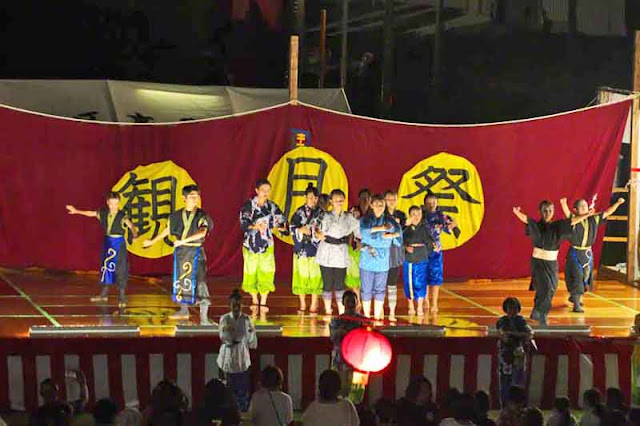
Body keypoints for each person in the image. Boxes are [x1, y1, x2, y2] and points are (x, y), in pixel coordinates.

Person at [512, 200, 593, 325]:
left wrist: (586, 215)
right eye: (544, 210)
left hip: (551, 263)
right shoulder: (536, 225)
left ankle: (536, 311)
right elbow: (526, 219)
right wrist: (516, 212)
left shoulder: (558, 226)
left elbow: (573, 221)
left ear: (553, 212)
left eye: (550, 210)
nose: (547, 213)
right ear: (540, 211)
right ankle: (543, 314)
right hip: (538, 262)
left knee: (551, 287)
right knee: (545, 287)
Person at [143, 185, 214, 323]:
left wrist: (183, 241)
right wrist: (152, 241)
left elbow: (202, 232)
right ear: (184, 198)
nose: (195, 199)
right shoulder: (175, 216)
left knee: (201, 282)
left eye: (196, 196)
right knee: (180, 281)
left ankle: (204, 317)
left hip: (196, 251)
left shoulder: (202, 215)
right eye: (192, 196)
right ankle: (183, 310)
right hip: (182, 253)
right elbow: (167, 230)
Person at [66, 191, 138, 307]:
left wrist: (135, 235)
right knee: (106, 267)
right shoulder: (103, 212)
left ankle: (122, 296)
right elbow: (91, 213)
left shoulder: (122, 215)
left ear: (119, 203)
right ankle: (104, 294)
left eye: (116, 204)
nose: (114, 206)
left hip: (118, 244)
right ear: (108, 203)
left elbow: (131, 226)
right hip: (108, 242)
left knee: (121, 269)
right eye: (111, 204)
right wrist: (76, 211)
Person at [560, 197, 625, 312]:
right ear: (575, 210)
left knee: (585, 278)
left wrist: (618, 203)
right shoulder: (574, 220)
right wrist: (564, 204)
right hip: (575, 253)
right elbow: (567, 213)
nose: (585, 208)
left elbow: (607, 212)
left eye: (586, 205)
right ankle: (576, 304)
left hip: (587, 253)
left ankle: (576, 297)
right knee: (577, 277)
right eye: (582, 206)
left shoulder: (594, 219)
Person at [239, 178, 287, 313]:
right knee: (251, 271)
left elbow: (281, 221)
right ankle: (254, 299)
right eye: (263, 190)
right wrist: (255, 226)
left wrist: (282, 227)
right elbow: (244, 224)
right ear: (256, 191)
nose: (265, 193)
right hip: (251, 244)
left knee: (267, 271)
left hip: (267, 243)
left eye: (268, 190)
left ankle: (264, 301)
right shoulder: (249, 206)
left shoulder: (271, 206)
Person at [316, 189, 360, 315]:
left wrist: (359, 240)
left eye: (341, 200)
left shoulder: (349, 217)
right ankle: (328, 309)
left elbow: (358, 231)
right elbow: (316, 229)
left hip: (341, 250)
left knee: (340, 283)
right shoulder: (325, 216)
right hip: (327, 250)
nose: (339, 203)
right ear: (331, 201)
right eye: (336, 200)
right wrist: (317, 234)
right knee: (328, 283)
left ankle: (341, 310)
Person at [359, 194, 402, 319]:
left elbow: (398, 236)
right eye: (376, 205)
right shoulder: (365, 220)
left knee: (380, 290)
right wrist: (382, 229)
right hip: (367, 259)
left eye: (381, 205)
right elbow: (364, 233)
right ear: (371, 205)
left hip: (383, 260)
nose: (378, 207)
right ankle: (366, 316)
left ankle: (377, 317)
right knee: (366, 289)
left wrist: (390, 236)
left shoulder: (390, 221)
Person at [218, 289, 258, 412]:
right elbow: (224, 336)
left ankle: (242, 411)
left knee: (243, 389)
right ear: (229, 305)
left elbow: (251, 339)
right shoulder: (225, 319)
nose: (236, 307)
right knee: (229, 389)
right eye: (234, 304)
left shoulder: (246, 319)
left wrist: (250, 334)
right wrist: (232, 339)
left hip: (242, 356)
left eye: (238, 304)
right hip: (229, 356)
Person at [422, 193, 460, 315]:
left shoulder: (441, 216)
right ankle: (425, 300)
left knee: (435, 278)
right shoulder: (421, 215)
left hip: (435, 251)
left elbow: (452, 225)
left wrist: (454, 224)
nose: (431, 205)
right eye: (428, 203)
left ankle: (434, 304)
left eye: (433, 203)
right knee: (423, 276)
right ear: (424, 204)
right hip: (422, 250)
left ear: (437, 203)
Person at [290, 184, 323, 315]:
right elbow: (292, 227)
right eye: (310, 197)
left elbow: (325, 229)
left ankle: (314, 303)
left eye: (315, 198)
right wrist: (299, 230)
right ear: (305, 197)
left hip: (315, 248)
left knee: (316, 276)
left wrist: (317, 233)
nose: (313, 200)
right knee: (301, 276)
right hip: (302, 248)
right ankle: (303, 302)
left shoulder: (321, 213)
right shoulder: (299, 212)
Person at [496, 297, 533, 407]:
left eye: (515, 308)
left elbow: (529, 333)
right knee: (505, 380)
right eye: (510, 308)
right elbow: (503, 336)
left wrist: (513, 334)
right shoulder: (502, 321)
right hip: (506, 356)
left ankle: (518, 404)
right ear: (506, 309)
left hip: (518, 355)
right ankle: (505, 404)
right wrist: (519, 335)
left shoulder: (520, 320)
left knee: (518, 380)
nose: (512, 310)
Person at [329, 290, 366, 400]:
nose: (350, 304)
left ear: (357, 303)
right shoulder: (336, 320)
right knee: (340, 390)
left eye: (353, 301)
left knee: (357, 392)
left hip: (359, 362)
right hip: (341, 360)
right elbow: (334, 337)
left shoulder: (363, 320)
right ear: (343, 303)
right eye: (348, 301)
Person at [403, 206, 436, 317]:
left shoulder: (425, 228)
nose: (416, 217)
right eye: (413, 214)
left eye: (418, 214)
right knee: (409, 283)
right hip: (410, 258)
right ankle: (411, 305)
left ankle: (420, 306)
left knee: (421, 282)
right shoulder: (405, 228)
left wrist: (434, 247)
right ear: (409, 215)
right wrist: (405, 247)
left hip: (422, 256)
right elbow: (397, 241)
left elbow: (431, 242)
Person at [384, 190, 407, 321]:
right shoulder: (381, 215)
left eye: (394, 199)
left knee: (392, 283)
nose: (391, 201)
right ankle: (380, 311)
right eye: (389, 199)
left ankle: (392, 311)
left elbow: (404, 230)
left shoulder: (401, 215)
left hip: (395, 252)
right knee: (380, 284)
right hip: (382, 252)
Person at [346, 188, 372, 296]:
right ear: (358, 199)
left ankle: (366, 300)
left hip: (368, 249)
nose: (365, 200)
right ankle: (357, 301)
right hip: (354, 249)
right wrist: (350, 243)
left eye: (367, 198)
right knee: (354, 276)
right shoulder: (353, 212)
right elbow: (348, 230)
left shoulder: (374, 213)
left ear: (370, 200)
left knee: (366, 277)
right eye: (362, 198)